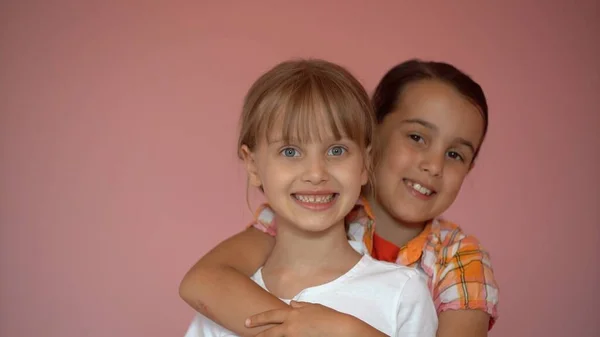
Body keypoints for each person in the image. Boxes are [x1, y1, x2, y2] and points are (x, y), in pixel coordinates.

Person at [180, 59, 499, 337]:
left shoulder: (458, 259)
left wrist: (344, 331)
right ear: (373, 131)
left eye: (456, 154)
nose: (433, 165)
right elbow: (205, 280)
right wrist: (296, 327)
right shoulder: (308, 208)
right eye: (416, 137)